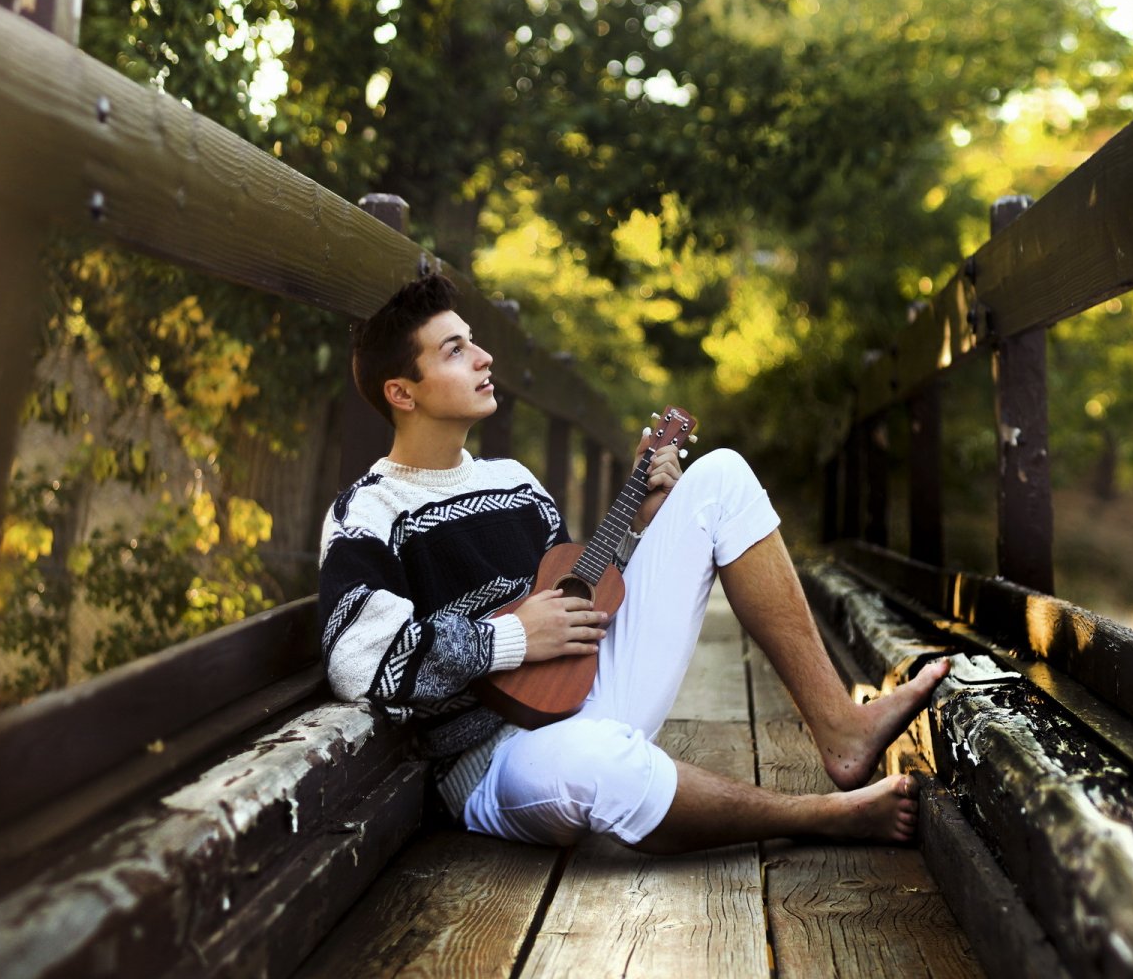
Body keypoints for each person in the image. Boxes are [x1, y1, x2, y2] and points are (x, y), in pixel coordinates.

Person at [318, 274, 947, 854]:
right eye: (454, 351)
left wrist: (639, 529)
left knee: (721, 475)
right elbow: (359, 660)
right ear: (401, 391)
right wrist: (509, 638)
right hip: (493, 763)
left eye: (475, 342)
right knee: (596, 761)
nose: (484, 358)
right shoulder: (368, 512)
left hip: (585, 690)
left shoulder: (514, 482)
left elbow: (577, 600)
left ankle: (841, 729)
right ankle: (819, 817)